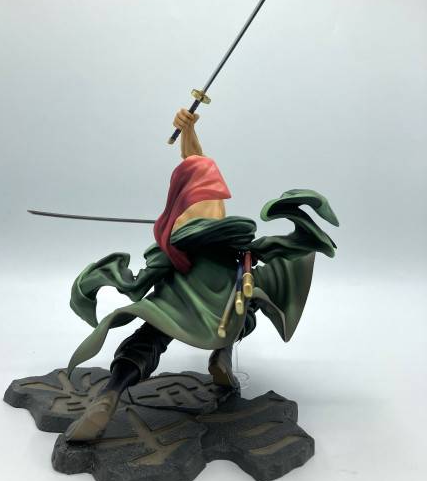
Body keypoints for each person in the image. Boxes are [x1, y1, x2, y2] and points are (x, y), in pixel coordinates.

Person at [64, 109, 338, 442]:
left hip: (179, 298)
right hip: (224, 301)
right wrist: (190, 130)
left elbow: (141, 281)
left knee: (149, 337)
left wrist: (121, 279)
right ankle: (222, 354)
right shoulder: (223, 222)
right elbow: (198, 162)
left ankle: (111, 393)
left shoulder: (178, 229)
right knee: (246, 306)